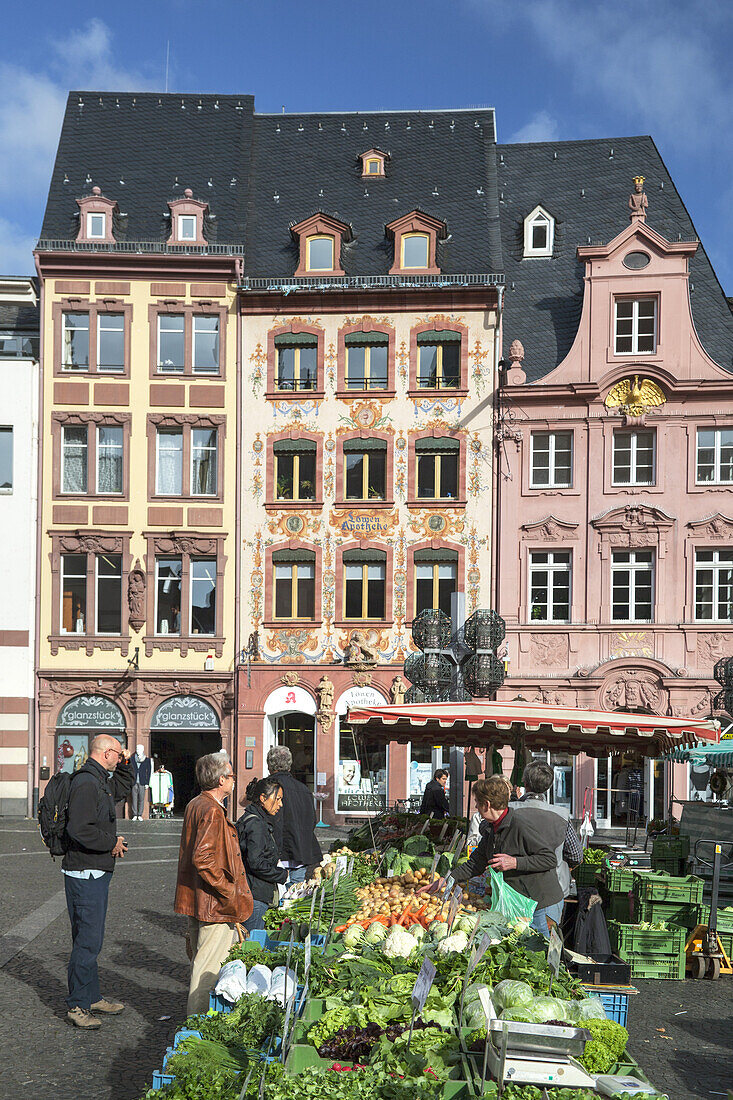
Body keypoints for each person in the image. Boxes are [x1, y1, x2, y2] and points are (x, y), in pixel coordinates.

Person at [420, 775, 565, 937]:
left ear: (487, 805)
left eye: (477, 802)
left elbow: (549, 858)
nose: (475, 806)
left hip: (541, 902)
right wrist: (447, 880)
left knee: (542, 952)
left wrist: (515, 862)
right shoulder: (491, 829)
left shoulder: (519, 824)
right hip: (521, 901)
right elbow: (476, 863)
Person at [62, 733, 133, 1029]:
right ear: (105, 754)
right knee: (87, 943)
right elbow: (79, 829)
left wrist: (127, 760)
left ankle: (91, 996)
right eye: (117, 754)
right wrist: (111, 842)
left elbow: (123, 788)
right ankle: (78, 1005)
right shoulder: (87, 783)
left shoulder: (101, 779)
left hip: (94, 871)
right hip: (85, 872)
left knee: (91, 940)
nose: (120, 758)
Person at [174, 753, 253, 1015]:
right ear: (221, 780)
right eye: (231, 776)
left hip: (200, 900)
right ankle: (196, 1024)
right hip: (214, 904)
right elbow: (203, 858)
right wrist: (228, 890)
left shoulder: (197, 803)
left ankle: (196, 1021)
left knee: (202, 960)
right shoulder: (211, 810)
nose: (233, 780)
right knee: (208, 968)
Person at [511, 760, 583, 933]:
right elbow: (576, 855)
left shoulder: (509, 811)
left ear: (525, 784)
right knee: (545, 949)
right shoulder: (561, 815)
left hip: (514, 890)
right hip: (552, 891)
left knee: (512, 945)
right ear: (548, 786)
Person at [236, 777, 288, 932]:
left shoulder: (256, 819)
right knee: (251, 943)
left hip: (254, 892)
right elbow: (256, 862)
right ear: (263, 798)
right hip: (255, 896)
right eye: (277, 799)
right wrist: (281, 875)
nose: (280, 804)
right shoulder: (255, 824)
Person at [267, 746, 322, 885]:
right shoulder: (303, 789)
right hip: (299, 852)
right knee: (294, 899)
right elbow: (312, 820)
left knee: (276, 899)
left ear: (269, 765)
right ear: (290, 765)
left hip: (276, 854)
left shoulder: (267, 787)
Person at [129, 744, 152, 820]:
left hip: (142, 781)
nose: (138, 751)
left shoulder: (147, 760)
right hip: (134, 781)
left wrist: (147, 783)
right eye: (137, 749)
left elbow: (148, 772)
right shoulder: (132, 759)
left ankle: (140, 814)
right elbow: (129, 770)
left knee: (141, 799)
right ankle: (135, 814)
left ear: (143, 750)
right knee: (134, 798)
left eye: (139, 749)